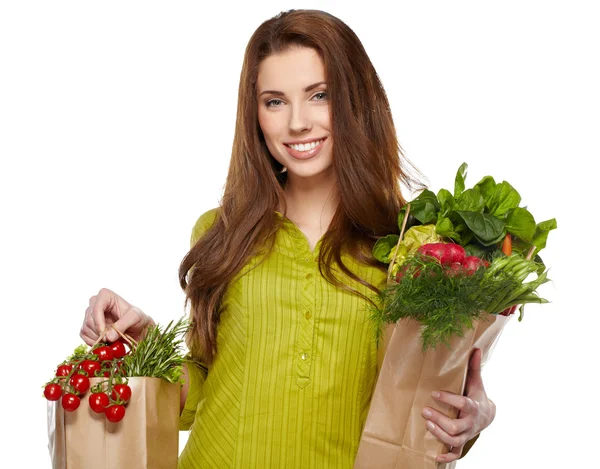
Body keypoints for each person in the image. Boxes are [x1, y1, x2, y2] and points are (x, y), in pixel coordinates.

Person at [79, 9, 496, 468]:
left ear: (357, 101)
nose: (297, 123)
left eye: (319, 95)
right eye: (274, 101)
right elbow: (199, 387)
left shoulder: (412, 244)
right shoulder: (221, 233)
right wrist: (145, 348)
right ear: (255, 113)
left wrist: (476, 414)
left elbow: (422, 403)